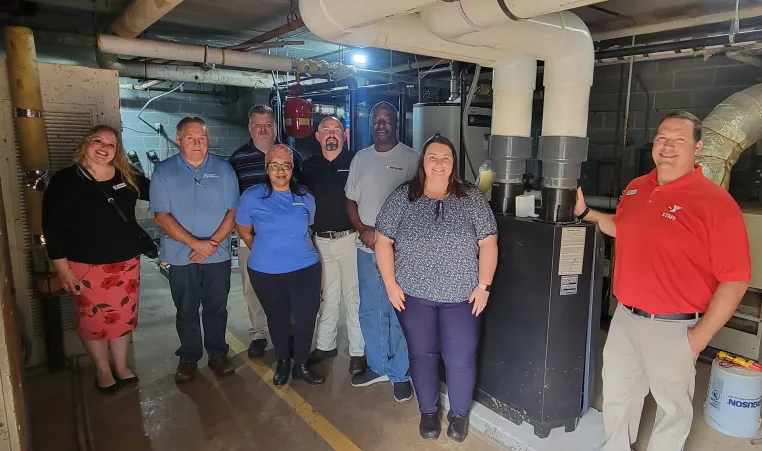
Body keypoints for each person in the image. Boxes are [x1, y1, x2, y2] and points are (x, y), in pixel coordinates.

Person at [575, 111, 751, 451]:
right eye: (661, 139)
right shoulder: (637, 188)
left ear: (698, 147)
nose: (668, 147)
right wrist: (585, 213)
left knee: (672, 409)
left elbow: (736, 279)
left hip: (675, 328)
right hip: (625, 318)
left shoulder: (716, 204)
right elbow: (623, 228)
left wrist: (700, 337)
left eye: (679, 140)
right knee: (618, 396)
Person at [375, 134, 498, 441]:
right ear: (423, 162)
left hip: (462, 297)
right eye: (433, 157)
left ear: (453, 163)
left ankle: (458, 415)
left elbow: (489, 242)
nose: (439, 163)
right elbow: (382, 240)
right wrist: (390, 284)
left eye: (445, 157)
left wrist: (484, 285)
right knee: (422, 355)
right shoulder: (404, 197)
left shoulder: (470, 197)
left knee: (461, 358)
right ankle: (428, 413)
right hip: (414, 296)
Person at [42, 125, 150, 394]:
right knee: (94, 322)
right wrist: (62, 270)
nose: (104, 148)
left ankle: (121, 366)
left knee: (122, 318)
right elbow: (52, 227)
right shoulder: (65, 180)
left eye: (111, 144)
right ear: (85, 144)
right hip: (84, 266)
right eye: (97, 141)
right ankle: (103, 370)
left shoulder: (127, 174)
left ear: (117, 150)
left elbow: (159, 191)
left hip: (125, 263)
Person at [150, 117, 239, 384]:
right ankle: (188, 357)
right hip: (181, 256)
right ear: (178, 139)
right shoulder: (164, 171)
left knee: (216, 306)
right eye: (190, 138)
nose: (197, 143)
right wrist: (196, 244)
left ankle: (217, 354)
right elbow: (161, 217)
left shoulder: (224, 170)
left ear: (208, 139)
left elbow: (233, 211)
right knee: (186, 308)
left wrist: (210, 245)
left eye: (202, 138)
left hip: (217, 255)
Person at [345, 101, 419, 401]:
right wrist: (363, 229)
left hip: (400, 253)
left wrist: (395, 238)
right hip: (366, 249)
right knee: (371, 309)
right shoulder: (360, 159)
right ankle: (377, 366)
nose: (381, 124)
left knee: (399, 310)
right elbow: (350, 199)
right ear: (370, 123)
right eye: (376, 119)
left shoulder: (412, 159)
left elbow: (420, 205)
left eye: (387, 120)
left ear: (397, 123)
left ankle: (400, 373)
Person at [235, 145, 324, 386]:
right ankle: (283, 360)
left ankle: (302, 364)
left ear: (292, 168)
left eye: (286, 165)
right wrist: (265, 250)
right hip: (266, 272)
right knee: (277, 318)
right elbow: (244, 230)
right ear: (267, 167)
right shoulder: (252, 196)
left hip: (305, 268)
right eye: (275, 165)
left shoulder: (305, 196)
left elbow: (310, 225)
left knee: (306, 318)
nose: (280, 170)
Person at [229, 105, 304, 358]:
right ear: (250, 128)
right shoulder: (237, 160)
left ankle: (290, 331)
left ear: (276, 126)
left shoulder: (292, 155)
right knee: (252, 287)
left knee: (288, 287)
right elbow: (234, 203)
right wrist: (247, 237)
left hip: (286, 240)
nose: (263, 129)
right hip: (250, 238)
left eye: (268, 124)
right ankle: (258, 334)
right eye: (257, 124)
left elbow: (301, 196)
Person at [301, 117, 366, 375]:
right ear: (317, 136)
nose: (331, 134)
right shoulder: (308, 167)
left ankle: (358, 352)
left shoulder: (356, 162)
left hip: (350, 239)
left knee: (354, 297)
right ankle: (325, 345)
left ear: (345, 134)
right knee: (327, 297)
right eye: (326, 130)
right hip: (320, 241)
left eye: (336, 130)